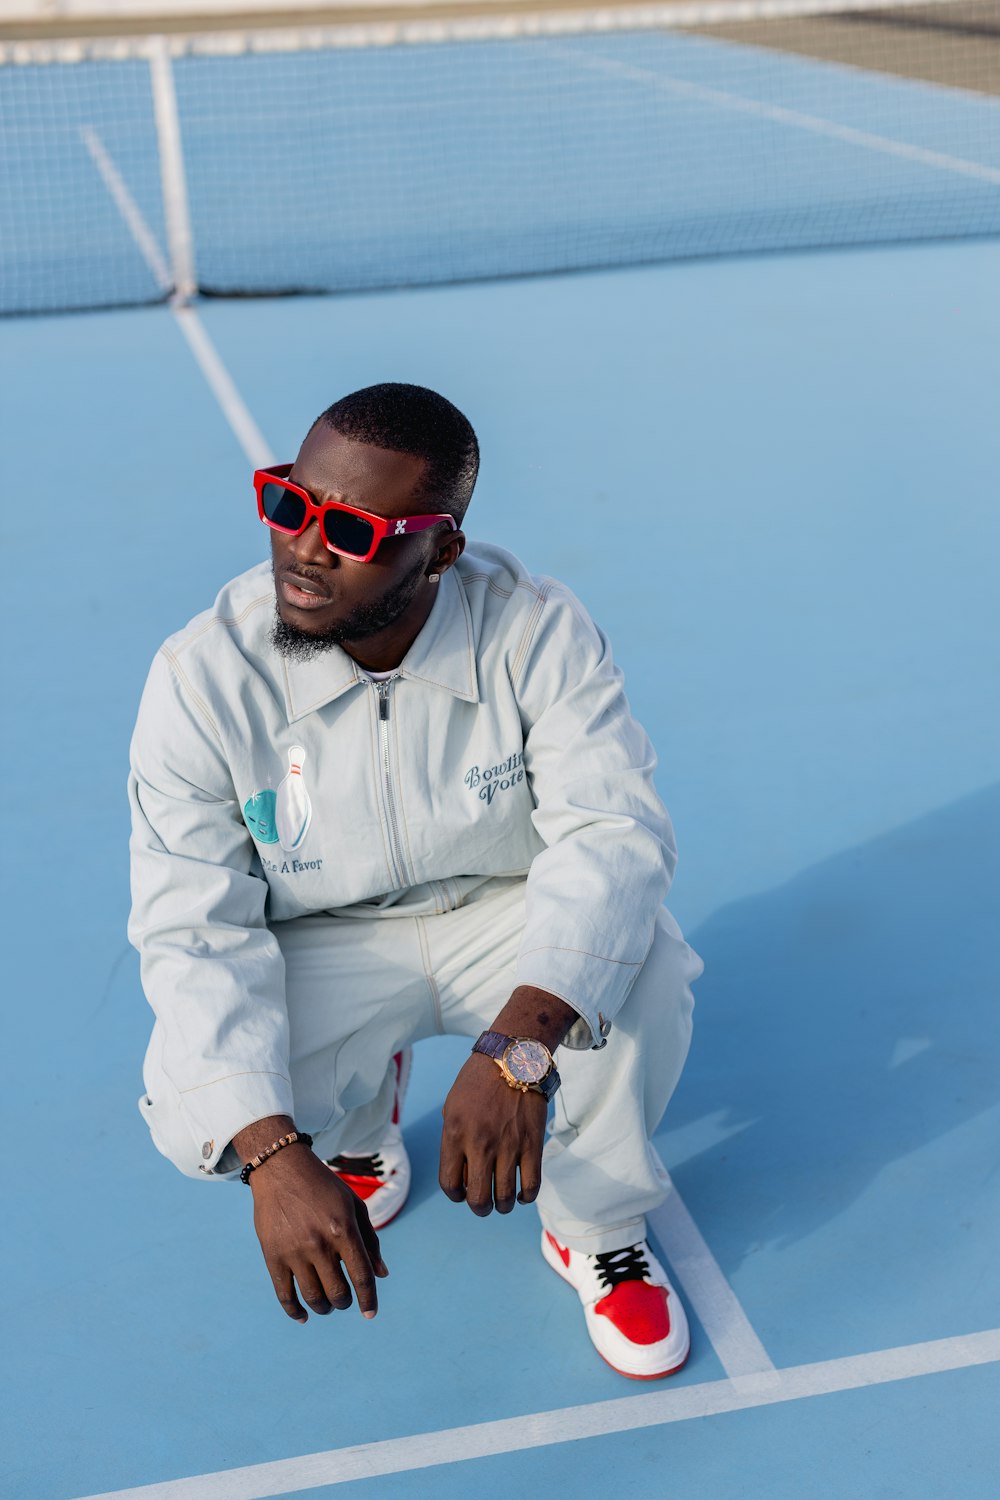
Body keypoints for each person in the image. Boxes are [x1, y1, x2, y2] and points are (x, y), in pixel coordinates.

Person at [128, 382, 702, 1380]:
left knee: (641, 967)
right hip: (322, 935)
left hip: (503, 915)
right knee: (196, 1099)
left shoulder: (537, 631)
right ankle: (355, 1127)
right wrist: (272, 1156)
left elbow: (613, 833)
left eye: (350, 527)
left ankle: (596, 1227)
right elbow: (192, 931)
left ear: (440, 550)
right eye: (288, 503)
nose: (305, 548)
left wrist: (523, 1044)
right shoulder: (200, 677)